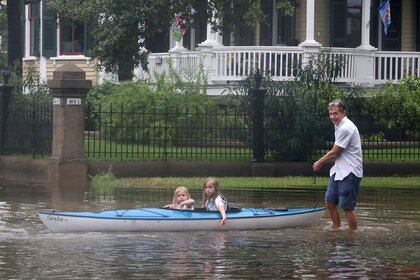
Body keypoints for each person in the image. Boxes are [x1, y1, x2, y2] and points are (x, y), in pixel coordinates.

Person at [313, 99, 363, 230]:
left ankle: (353, 235)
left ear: (343, 113)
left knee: (347, 207)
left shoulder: (346, 128)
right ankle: (336, 228)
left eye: (335, 114)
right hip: (338, 170)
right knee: (330, 201)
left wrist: (319, 162)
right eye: (330, 114)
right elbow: (337, 154)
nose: (332, 117)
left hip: (350, 171)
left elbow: (335, 152)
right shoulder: (338, 125)